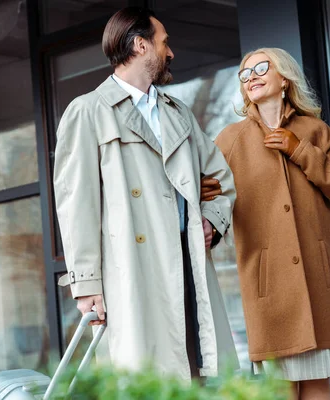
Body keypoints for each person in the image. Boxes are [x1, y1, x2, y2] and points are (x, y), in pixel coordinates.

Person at [53, 7, 238, 382]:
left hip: (186, 269)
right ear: (140, 45)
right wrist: (86, 284)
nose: (170, 53)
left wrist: (211, 223)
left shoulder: (178, 114)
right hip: (130, 275)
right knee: (145, 380)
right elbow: (77, 205)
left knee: (198, 375)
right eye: (163, 43)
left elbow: (220, 176)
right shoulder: (88, 112)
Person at [212, 48, 330, 399]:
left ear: (284, 78)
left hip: (316, 284)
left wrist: (300, 150)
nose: (251, 77)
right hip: (270, 291)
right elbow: (209, 194)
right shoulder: (231, 140)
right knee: (280, 391)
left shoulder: (314, 130)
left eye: (261, 68)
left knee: (317, 388)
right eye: (244, 74)